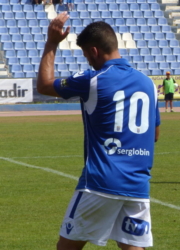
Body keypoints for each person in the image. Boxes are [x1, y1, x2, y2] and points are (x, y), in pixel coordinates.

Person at [37, 13, 161, 250]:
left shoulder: (93, 79)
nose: (87, 61)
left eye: (86, 55)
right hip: (137, 184)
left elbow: (43, 85)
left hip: (100, 182)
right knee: (132, 247)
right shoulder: (148, 84)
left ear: (94, 51)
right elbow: (154, 135)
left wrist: (52, 42)